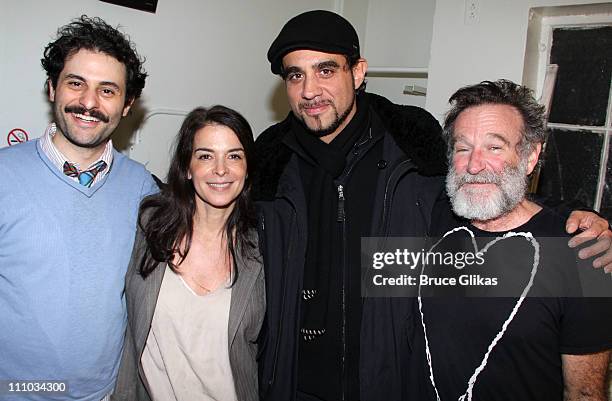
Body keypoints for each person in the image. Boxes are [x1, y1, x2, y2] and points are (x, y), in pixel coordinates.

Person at [253, 10, 612, 401]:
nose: (310, 91)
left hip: (389, 379)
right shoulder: (268, 159)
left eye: (325, 71)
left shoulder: (412, 141)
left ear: (357, 73)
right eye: (295, 75)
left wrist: (571, 218)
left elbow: (483, 183)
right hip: (293, 381)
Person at [409, 80, 611, 401]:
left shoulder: (583, 253)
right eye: (463, 148)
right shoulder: (430, 215)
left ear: (530, 157)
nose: (475, 166)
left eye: (494, 147)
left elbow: (585, 393)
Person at [0, 16, 156, 401]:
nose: (89, 103)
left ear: (127, 104)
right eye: (76, 84)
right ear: (52, 88)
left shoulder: (144, 189)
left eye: (107, 90)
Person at [112, 106, 265, 401]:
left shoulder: (262, 252)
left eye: (234, 156)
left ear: (247, 170)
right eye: (205, 156)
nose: (221, 169)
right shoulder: (149, 229)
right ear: (187, 167)